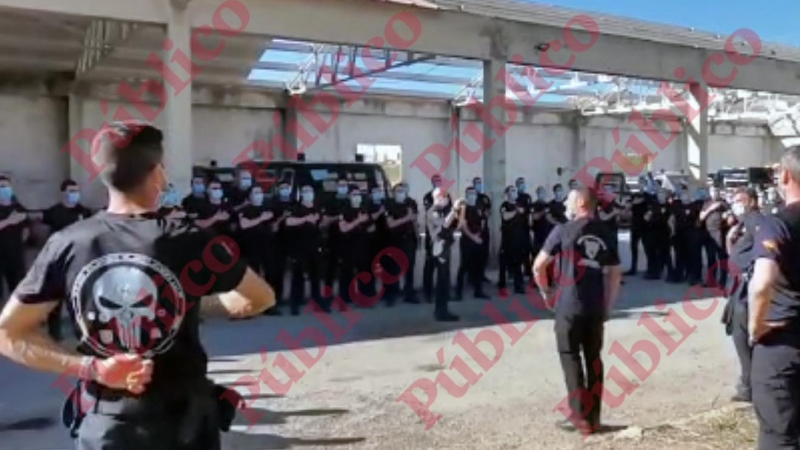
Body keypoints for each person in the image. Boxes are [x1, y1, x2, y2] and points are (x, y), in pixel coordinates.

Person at [0, 122, 274, 450]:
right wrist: (187, 303)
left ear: (102, 176)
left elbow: (9, 332)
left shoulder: (67, 243)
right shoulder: (192, 240)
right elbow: (260, 298)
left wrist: (94, 369)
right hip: (183, 427)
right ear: (158, 173)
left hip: (107, 426)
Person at [533, 188, 622, 435]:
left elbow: (538, 266)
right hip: (595, 307)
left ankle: (579, 416)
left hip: (567, 305)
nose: (566, 204)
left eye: (570, 200)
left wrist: (547, 293)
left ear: (581, 203)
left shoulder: (562, 230)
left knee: (570, 356)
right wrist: (609, 305)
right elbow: (614, 272)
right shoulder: (606, 232)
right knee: (594, 359)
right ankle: (593, 418)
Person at [748, 147, 800, 449]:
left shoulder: (777, 222)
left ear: (784, 175)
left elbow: (761, 284)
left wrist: (756, 327)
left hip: (782, 341)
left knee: (778, 435)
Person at [41, 180, 94, 341]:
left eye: (76, 191)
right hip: (58, 263)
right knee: (55, 301)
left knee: (77, 301)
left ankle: (83, 335)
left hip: (78, 263)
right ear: (63, 193)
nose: (74, 195)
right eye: (71, 191)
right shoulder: (53, 212)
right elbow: (43, 235)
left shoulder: (85, 211)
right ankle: (54, 334)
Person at [723, 187, 761, 404]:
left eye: (741, 200)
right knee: (739, 336)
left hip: (746, 289)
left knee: (743, 338)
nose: (736, 204)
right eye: (734, 200)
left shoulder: (755, 221)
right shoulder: (741, 223)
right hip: (737, 287)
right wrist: (729, 238)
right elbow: (736, 254)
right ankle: (747, 382)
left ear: (752, 201)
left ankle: (749, 385)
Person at [237, 185, 281, 316]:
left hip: (268, 247)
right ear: (250, 195)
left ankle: (269, 305)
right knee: (253, 277)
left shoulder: (268, 209)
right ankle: (250, 306)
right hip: (251, 248)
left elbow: (273, 226)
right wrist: (261, 218)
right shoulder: (245, 210)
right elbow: (244, 225)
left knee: (270, 276)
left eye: (260, 192)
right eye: (256, 192)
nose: (259, 194)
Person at [285, 185, 322, 315]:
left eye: (310, 191)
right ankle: (295, 304)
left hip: (315, 247)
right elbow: (289, 221)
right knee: (298, 276)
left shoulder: (317, 208)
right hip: (299, 248)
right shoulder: (296, 208)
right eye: (305, 191)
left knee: (315, 277)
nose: (308, 194)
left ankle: (317, 302)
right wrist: (306, 219)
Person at [427, 188, 459, 321]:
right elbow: (443, 225)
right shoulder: (433, 211)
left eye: (445, 196)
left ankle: (443, 309)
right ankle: (440, 312)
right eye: (442, 196)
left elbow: (454, 226)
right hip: (439, 248)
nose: (445, 199)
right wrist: (453, 211)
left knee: (445, 280)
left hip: (445, 247)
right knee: (442, 280)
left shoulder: (443, 211)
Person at [385, 183, 419, 304]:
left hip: (409, 239)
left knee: (409, 267)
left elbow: (414, 220)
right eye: (398, 191)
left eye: (403, 190)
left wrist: (417, 236)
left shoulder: (411, 203)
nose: (401, 193)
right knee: (393, 268)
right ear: (394, 192)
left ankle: (409, 293)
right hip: (394, 239)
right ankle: (391, 295)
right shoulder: (389, 203)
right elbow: (390, 224)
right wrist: (407, 218)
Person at [337, 186, 370, 307]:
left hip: (363, 245)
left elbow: (370, 225)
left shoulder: (364, 209)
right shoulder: (345, 210)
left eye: (358, 195)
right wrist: (358, 221)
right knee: (347, 272)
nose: (357, 197)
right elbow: (344, 228)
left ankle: (364, 298)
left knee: (364, 272)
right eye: (354, 195)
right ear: (350, 196)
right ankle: (345, 298)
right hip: (348, 245)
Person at [0, 175, 30, 304]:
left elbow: (26, 230)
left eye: (6, 186)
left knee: (18, 291)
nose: (4, 189)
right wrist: (9, 221)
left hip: (15, 257)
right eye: (1, 187)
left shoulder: (18, 207)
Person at [455, 187, 489, 300]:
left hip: (478, 240)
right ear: (466, 195)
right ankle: (458, 293)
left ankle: (478, 291)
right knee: (464, 267)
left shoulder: (479, 207)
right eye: (469, 193)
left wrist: (478, 235)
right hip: (467, 241)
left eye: (473, 193)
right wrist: (473, 237)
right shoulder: (463, 208)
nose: (472, 195)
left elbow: (483, 222)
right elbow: (462, 226)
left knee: (478, 267)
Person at [498, 186, 528, 295]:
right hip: (507, 239)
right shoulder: (504, 205)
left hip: (518, 239)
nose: (514, 192)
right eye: (512, 191)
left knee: (517, 263)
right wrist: (516, 211)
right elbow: (505, 217)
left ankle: (518, 286)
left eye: (515, 190)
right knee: (503, 263)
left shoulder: (520, 206)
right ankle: (501, 286)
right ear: (507, 193)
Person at [700, 186, 730, 289]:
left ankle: (722, 281)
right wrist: (711, 209)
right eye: (712, 191)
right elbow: (701, 217)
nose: (714, 193)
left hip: (720, 233)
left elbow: (730, 215)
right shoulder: (707, 203)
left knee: (722, 258)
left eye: (716, 191)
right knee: (710, 258)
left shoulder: (724, 203)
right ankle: (711, 281)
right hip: (709, 233)